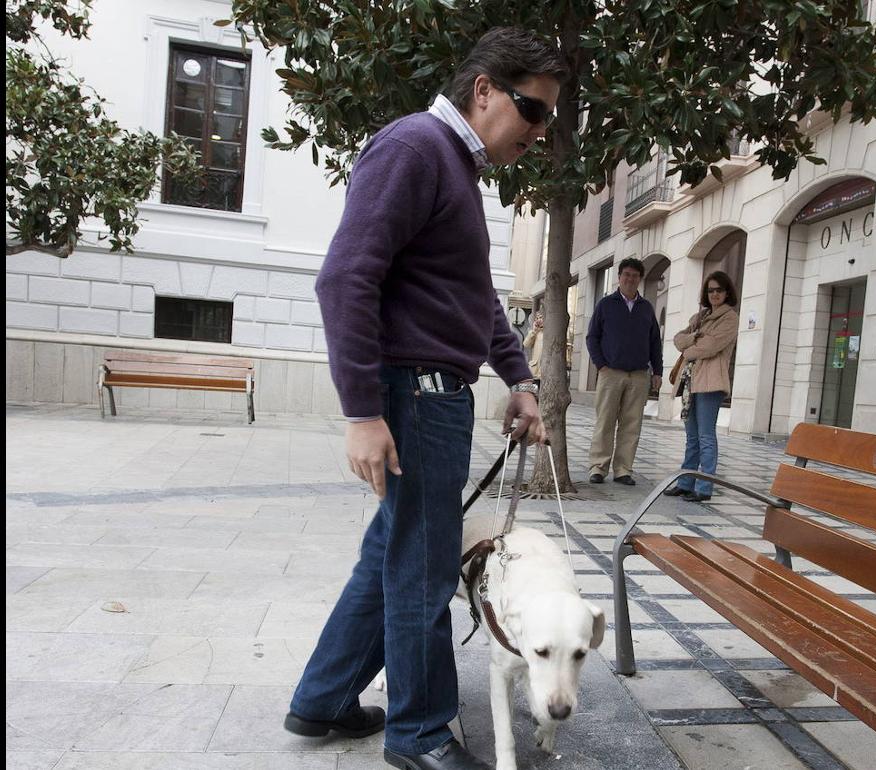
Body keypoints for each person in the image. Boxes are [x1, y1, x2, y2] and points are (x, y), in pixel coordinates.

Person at [284, 28, 565, 770]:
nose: (539, 132)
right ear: (483, 90)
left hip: (431, 395)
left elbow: (472, 302)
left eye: (548, 119)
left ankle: (322, 699)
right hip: (414, 397)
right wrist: (363, 414)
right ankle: (420, 735)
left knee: (393, 555)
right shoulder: (415, 148)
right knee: (423, 572)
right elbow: (344, 279)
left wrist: (523, 380)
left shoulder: (452, 168)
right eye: (533, 110)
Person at [584, 258, 662, 485]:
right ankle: (598, 467)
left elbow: (655, 342)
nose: (630, 279)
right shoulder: (606, 304)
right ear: (619, 277)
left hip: (638, 375)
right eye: (626, 274)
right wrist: (601, 365)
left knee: (632, 424)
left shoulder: (646, 308)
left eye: (635, 276)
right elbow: (592, 337)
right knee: (605, 421)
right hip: (611, 373)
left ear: (639, 279)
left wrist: (657, 371)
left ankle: (623, 470)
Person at [663, 271, 739, 502]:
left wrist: (690, 346)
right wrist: (695, 337)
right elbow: (677, 338)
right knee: (692, 437)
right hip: (691, 381)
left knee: (706, 436)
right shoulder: (701, 317)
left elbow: (710, 346)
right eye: (711, 290)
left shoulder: (730, 318)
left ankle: (704, 487)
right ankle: (686, 483)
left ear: (727, 292)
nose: (714, 294)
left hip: (711, 383)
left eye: (719, 290)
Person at [523, 311, 544, 378]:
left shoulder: (549, 334)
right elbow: (526, 344)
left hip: (544, 372)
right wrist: (534, 331)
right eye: (537, 318)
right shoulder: (535, 333)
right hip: (534, 371)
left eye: (541, 317)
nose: (539, 320)